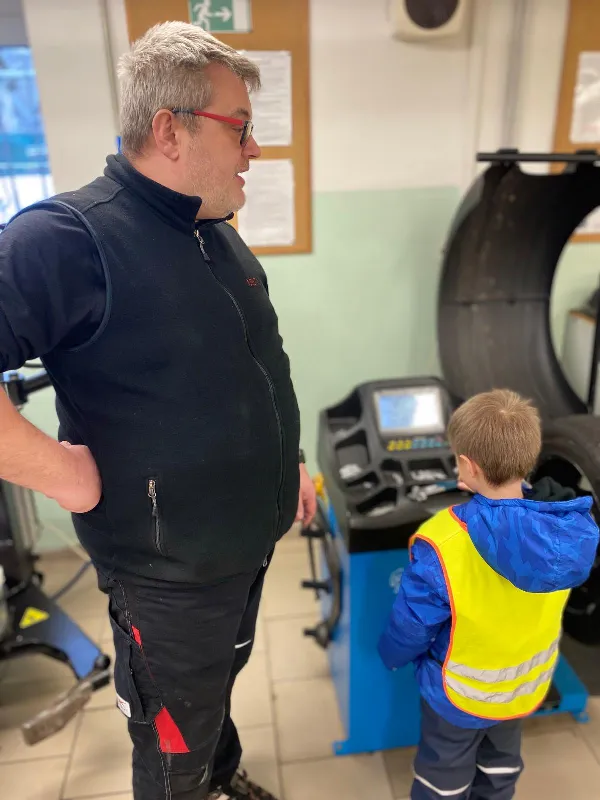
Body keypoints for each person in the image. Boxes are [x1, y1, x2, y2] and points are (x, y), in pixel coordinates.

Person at [0, 21, 316, 800]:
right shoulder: (66, 238)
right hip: (167, 577)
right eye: (240, 128)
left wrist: (291, 464)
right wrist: (61, 474)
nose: (253, 150)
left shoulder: (214, 233)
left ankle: (219, 776)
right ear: (170, 129)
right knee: (173, 738)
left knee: (212, 697)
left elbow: (252, 369)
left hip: (242, 548)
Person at [378, 389, 599, 800]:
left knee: (444, 779)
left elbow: (412, 624)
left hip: (458, 698)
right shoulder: (567, 531)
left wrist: (391, 655)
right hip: (522, 687)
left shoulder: (443, 541)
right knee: (500, 769)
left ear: (468, 466)